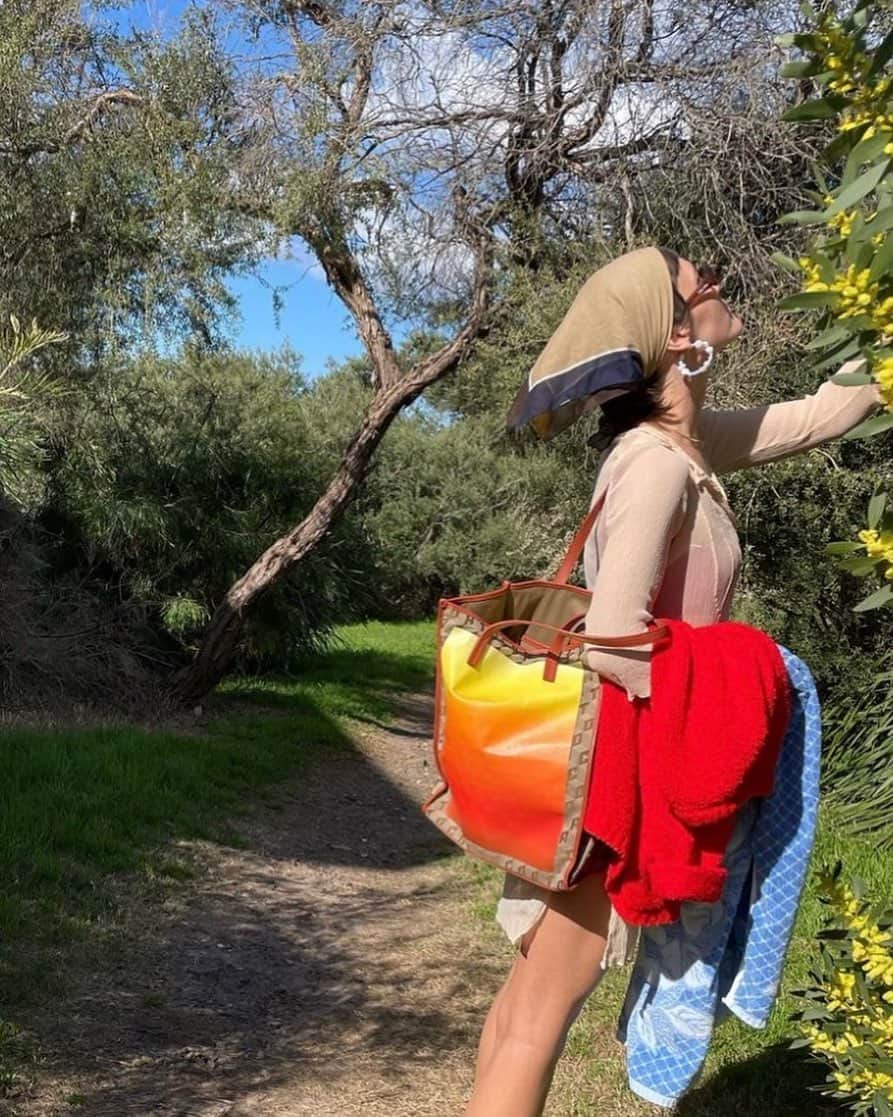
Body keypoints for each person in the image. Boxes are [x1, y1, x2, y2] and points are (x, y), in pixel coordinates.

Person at [465, 245, 885, 1117]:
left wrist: (877, 321)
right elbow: (615, 638)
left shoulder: (684, 444)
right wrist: (747, 667)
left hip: (603, 761)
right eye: (703, 281)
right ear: (673, 330)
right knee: (541, 1012)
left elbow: (819, 415)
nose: (719, 285)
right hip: (611, 775)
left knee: (524, 1006)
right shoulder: (656, 462)